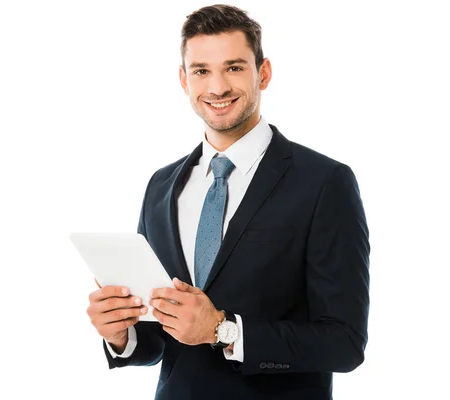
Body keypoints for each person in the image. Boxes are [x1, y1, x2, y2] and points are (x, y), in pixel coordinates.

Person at [85, 4, 370, 400]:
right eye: (201, 71)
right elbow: (158, 339)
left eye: (234, 67)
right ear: (184, 80)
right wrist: (121, 334)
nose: (217, 87)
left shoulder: (324, 182)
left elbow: (345, 343)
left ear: (263, 73)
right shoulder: (161, 186)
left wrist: (223, 330)